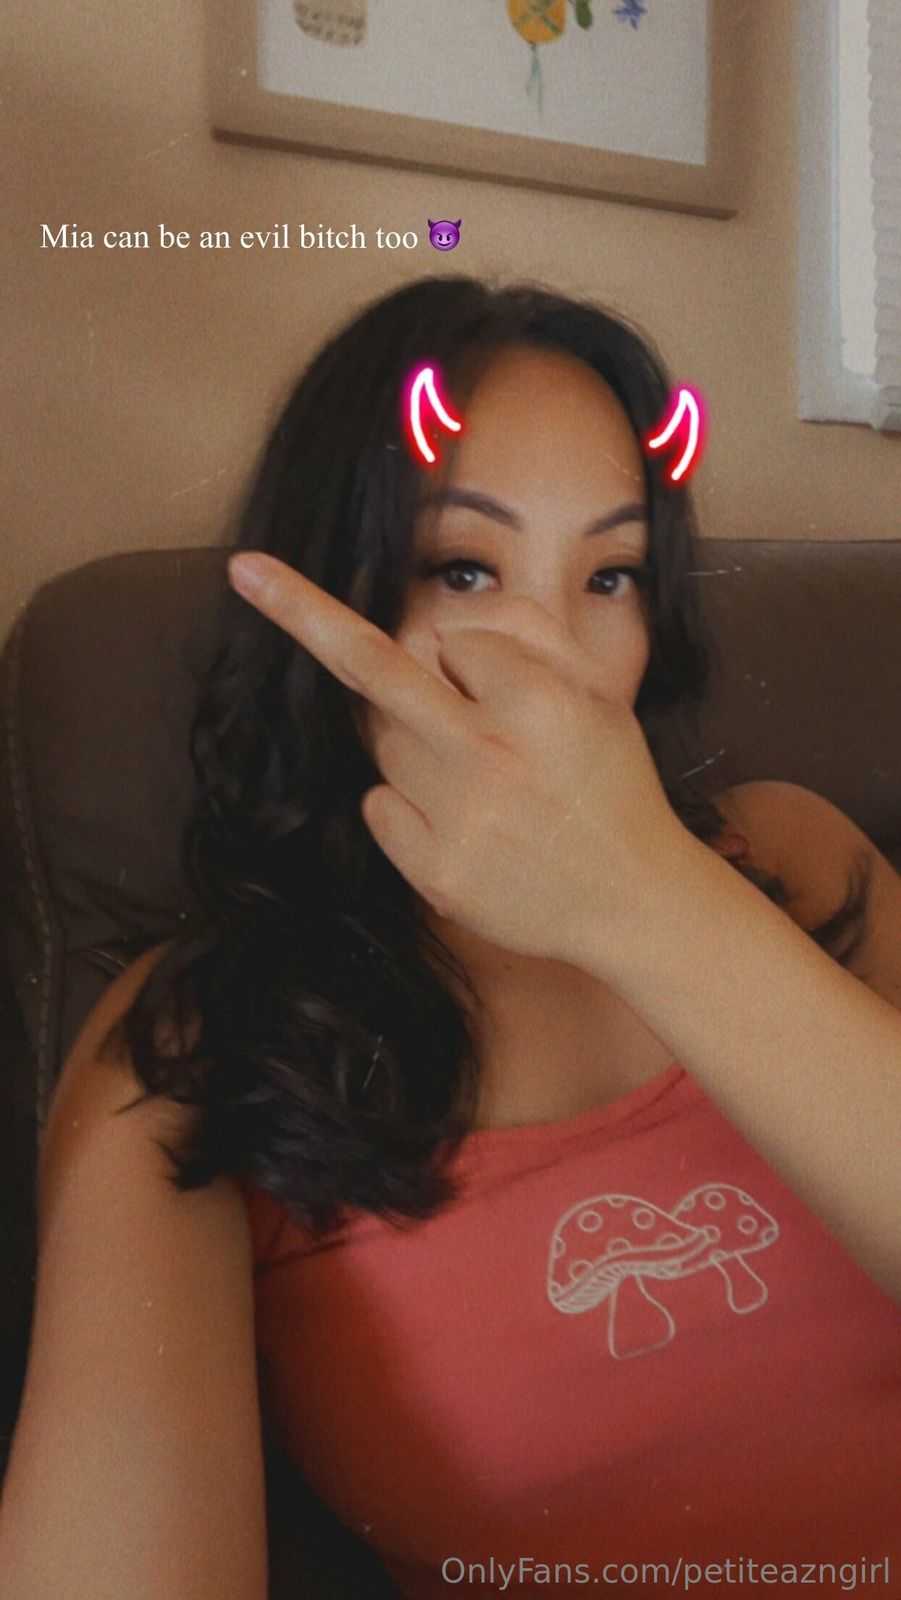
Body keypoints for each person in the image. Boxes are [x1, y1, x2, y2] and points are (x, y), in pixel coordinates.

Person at [3, 277, 899, 1600]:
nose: (548, 659)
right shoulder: (195, 1043)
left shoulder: (794, 860)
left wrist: (645, 898)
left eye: (610, 576)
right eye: (464, 569)